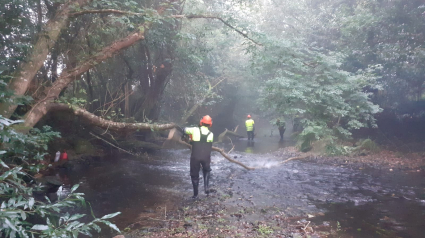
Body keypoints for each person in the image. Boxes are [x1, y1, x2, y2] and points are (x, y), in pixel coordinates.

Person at [183, 115, 214, 199]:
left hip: (195, 156)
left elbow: (184, 130)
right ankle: (206, 187)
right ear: (210, 124)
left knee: (194, 175)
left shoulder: (194, 130)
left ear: (201, 122)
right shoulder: (211, 134)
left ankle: (195, 194)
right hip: (206, 157)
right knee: (207, 170)